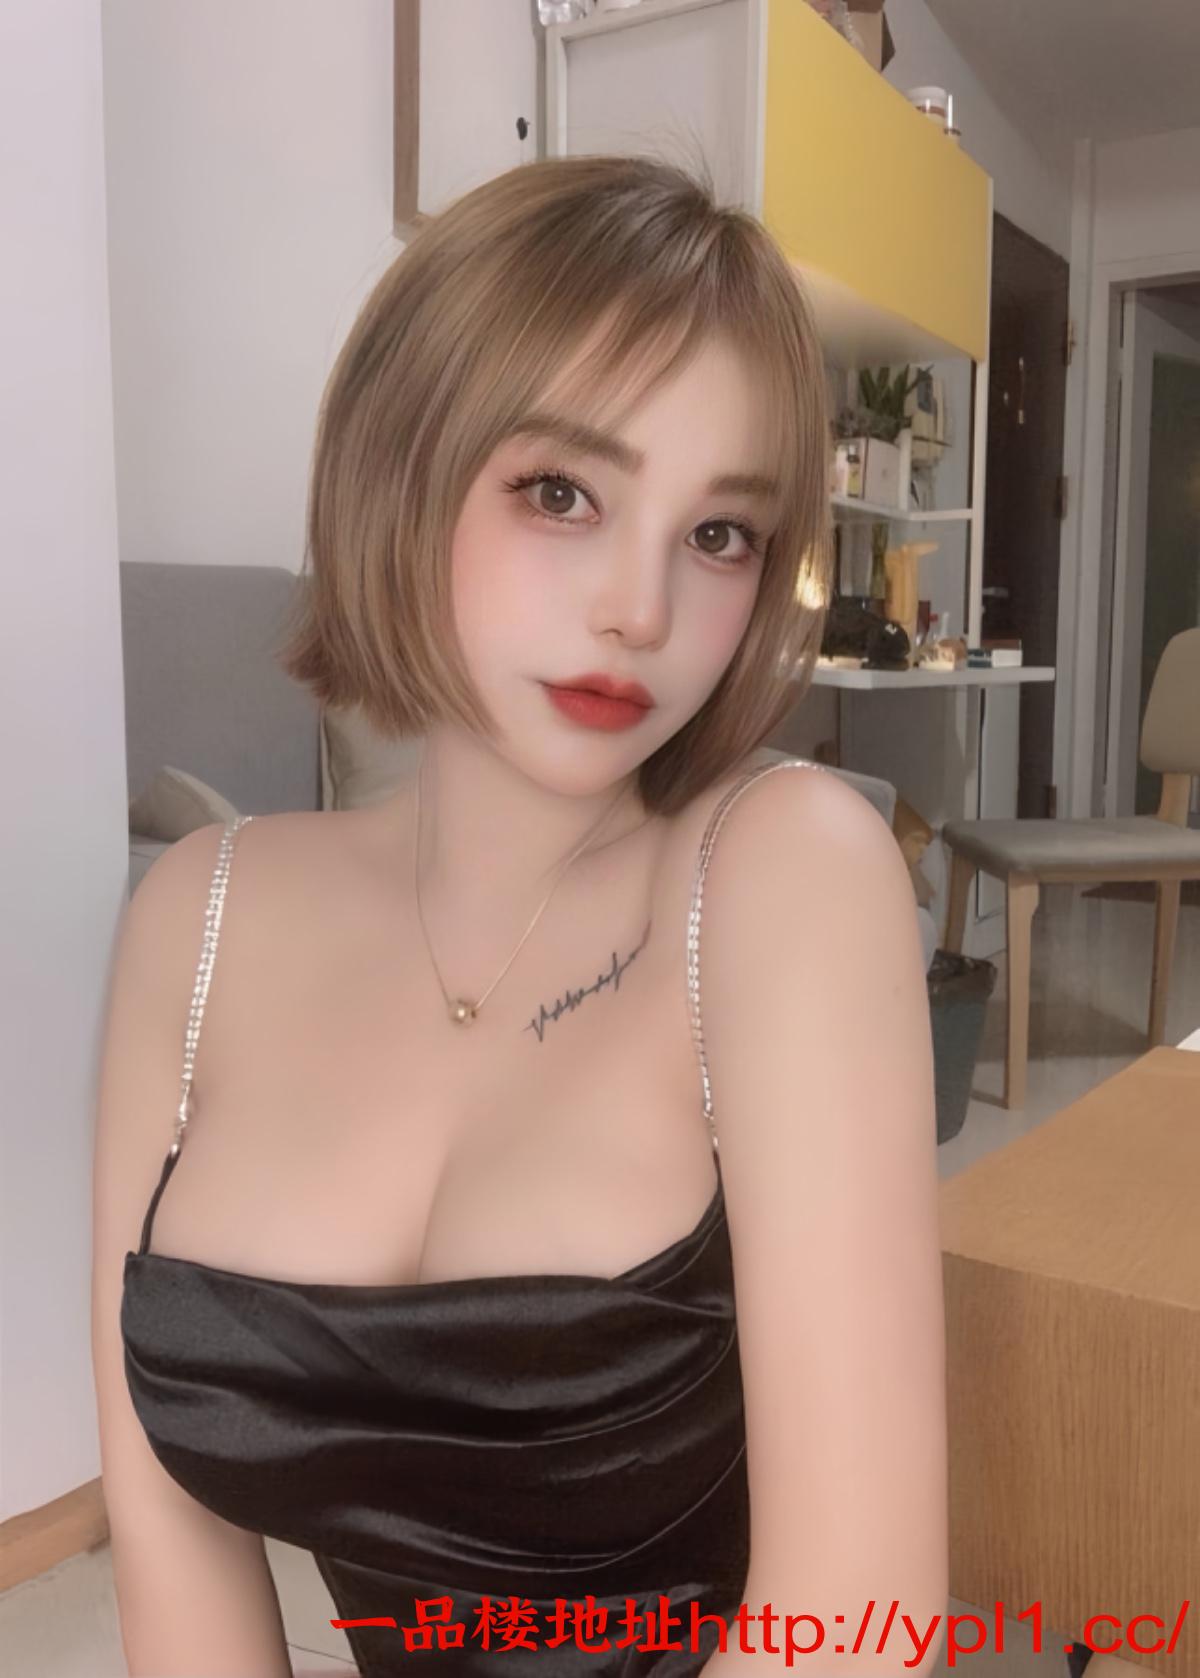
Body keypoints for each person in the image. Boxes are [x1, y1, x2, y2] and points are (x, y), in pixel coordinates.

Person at [93, 153, 946, 1677]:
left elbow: (857, 1626)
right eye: (563, 492)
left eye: (719, 533)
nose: (641, 606)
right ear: (403, 462)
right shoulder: (195, 920)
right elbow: (173, 1572)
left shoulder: (785, 876)